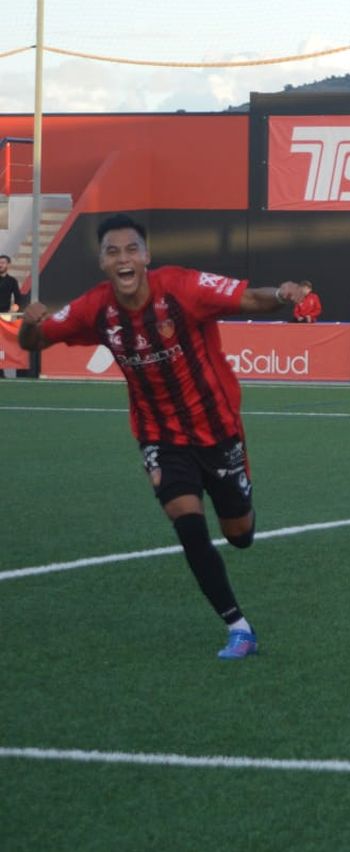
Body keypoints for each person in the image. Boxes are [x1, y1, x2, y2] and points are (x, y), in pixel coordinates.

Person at [17, 213, 308, 660]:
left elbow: (250, 298)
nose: (123, 258)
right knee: (187, 522)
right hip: (159, 435)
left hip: (217, 429)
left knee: (240, 534)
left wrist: (282, 296)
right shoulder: (95, 309)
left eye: (132, 249)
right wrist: (32, 322)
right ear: (101, 262)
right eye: (113, 252)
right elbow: (33, 341)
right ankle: (238, 627)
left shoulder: (182, 287)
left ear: (146, 256)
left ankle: (240, 509)